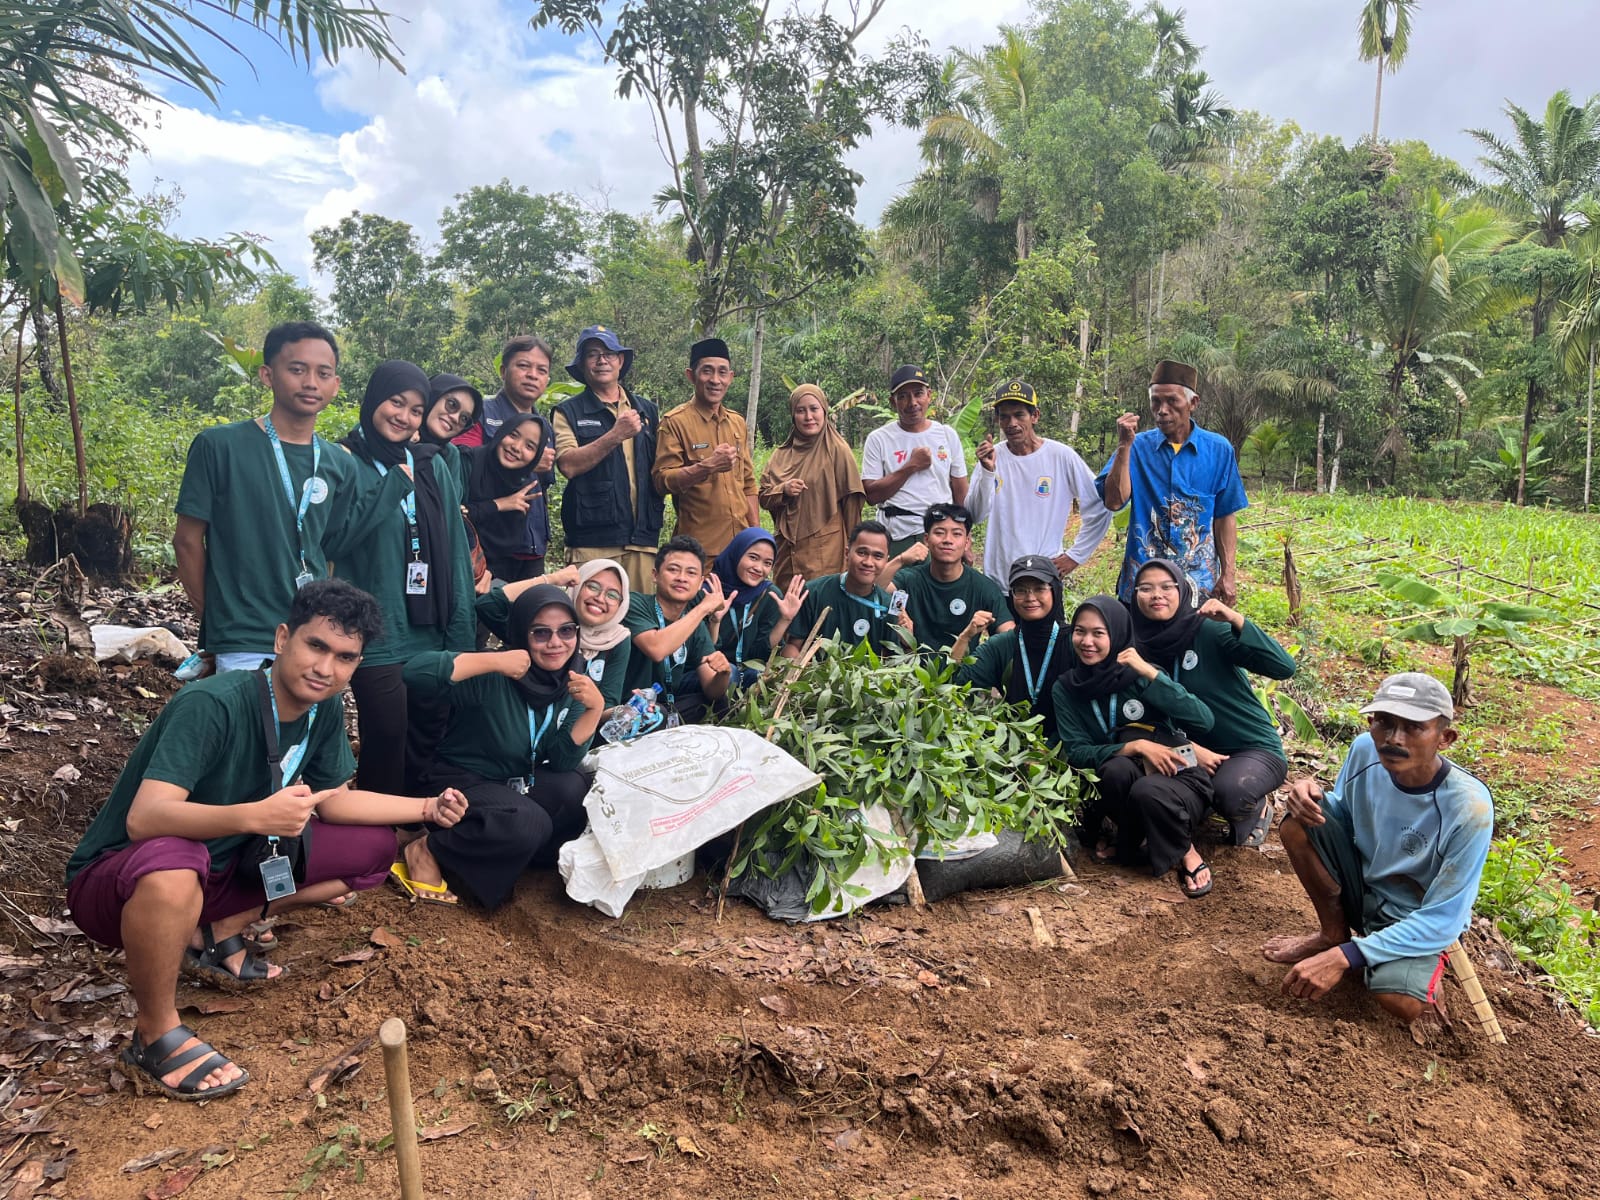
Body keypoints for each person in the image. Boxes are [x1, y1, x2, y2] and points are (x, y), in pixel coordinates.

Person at [64, 581, 469, 1100]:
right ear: (282, 639)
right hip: (121, 880)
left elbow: (335, 800)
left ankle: (217, 928)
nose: (326, 667)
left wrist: (426, 809)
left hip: (223, 867)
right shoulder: (212, 703)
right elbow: (146, 820)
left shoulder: (323, 711)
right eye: (316, 646)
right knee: (177, 861)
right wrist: (254, 816)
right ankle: (155, 1033)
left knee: (371, 851)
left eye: (345, 657)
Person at [174, 322, 409, 672]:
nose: (311, 382)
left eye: (323, 373)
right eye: (297, 369)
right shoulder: (219, 446)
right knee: (252, 724)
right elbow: (187, 542)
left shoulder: (337, 462)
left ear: (335, 384)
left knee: (303, 727)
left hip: (312, 634)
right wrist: (213, 619)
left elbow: (328, 546)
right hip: (245, 636)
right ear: (267, 375)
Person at [1263, 673, 1494, 1025]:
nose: (1393, 739)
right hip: (1364, 889)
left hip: (1411, 917)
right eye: (1384, 722)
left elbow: (1443, 918)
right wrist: (1310, 794)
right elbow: (1345, 815)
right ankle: (1331, 934)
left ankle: (1420, 971)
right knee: (1299, 824)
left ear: (1445, 738)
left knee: (1400, 1001)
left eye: (1414, 727)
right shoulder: (1364, 750)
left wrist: (1346, 958)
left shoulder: (1469, 808)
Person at [402, 586, 605, 910]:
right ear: (521, 634)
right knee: (529, 822)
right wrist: (493, 661)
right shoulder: (496, 674)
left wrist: (595, 710)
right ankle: (429, 848)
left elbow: (564, 759)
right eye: (541, 633)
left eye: (566, 630)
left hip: (514, 782)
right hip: (458, 781)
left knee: (574, 791)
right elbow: (414, 673)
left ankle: (507, 860)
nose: (556, 642)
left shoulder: (570, 682)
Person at [333, 362, 477, 796]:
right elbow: (337, 541)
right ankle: (374, 840)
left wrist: (460, 631)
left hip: (430, 626)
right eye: (397, 402)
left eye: (415, 409)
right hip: (376, 629)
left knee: (426, 732)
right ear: (374, 399)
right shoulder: (346, 460)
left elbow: (454, 549)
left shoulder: (432, 463)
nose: (404, 415)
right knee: (387, 734)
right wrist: (394, 484)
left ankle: (414, 829)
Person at [1051, 596, 1218, 897]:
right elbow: (1077, 752)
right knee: (1114, 770)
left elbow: (1203, 720)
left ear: (1116, 634)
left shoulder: (1140, 675)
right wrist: (1137, 746)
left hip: (1176, 771)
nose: (1087, 641)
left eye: (1099, 633)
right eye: (1080, 631)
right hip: (1124, 775)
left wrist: (1151, 673)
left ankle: (1186, 851)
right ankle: (1134, 838)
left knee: (1147, 790)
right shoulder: (1066, 687)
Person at [1128, 558, 1297, 856]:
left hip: (1249, 748)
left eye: (1167, 587)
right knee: (1138, 777)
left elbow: (1283, 667)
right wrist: (1191, 749)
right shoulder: (1135, 649)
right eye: (1146, 588)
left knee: (1231, 792)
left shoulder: (1208, 631)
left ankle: (1255, 807)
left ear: (1182, 591)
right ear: (1133, 595)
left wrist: (1235, 619)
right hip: (1191, 752)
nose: (1157, 595)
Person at [1096, 360, 1249, 605]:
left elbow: (1224, 515)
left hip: (1197, 586)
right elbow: (1114, 501)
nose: (1162, 409)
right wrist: (1124, 446)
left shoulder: (1219, 451)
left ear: (1193, 403)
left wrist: (1228, 575)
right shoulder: (1136, 448)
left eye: (1172, 401)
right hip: (1142, 586)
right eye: (1156, 401)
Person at [967, 379, 1112, 588]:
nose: (1012, 424)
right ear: (997, 420)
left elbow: (1100, 506)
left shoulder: (1060, 456)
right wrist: (988, 472)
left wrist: (1075, 556)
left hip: (1044, 581)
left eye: (1019, 415)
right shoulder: (991, 457)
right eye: (1005, 417)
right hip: (999, 582)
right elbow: (975, 514)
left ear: (1035, 416)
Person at [551, 325, 663, 595]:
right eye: (592, 354)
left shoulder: (647, 410)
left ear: (620, 361)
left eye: (609, 353)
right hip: (592, 541)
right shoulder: (568, 411)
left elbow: (661, 470)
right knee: (589, 622)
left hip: (642, 541)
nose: (602, 360)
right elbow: (568, 464)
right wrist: (615, 435)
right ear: (582, 364)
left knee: (640, 625)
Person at [452, 336, 558, 575]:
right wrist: (527, 464)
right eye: (523, 366)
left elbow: (543, 486)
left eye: (541, 370)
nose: (532, 375)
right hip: (486, 545)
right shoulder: (479, 414)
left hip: (532, 544)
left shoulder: (545, 428)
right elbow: (462, 468)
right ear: (503, 370)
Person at [652, 337, 758, 561]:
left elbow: (748, 484)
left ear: (731, 377)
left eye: (722, 372)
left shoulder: (737, 423)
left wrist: (756, 538)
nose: (715, 380)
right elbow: (662, 481)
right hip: (699, 552)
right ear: (691, 375)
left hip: (739, 548)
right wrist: (707, 466)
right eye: (707, 371)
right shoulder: (675, 422)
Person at [955, 556, 1073, 742]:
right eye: (1021, 590)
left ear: (1055, 591)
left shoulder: (1075, 641)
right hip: (1012, 749)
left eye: (1039, 589)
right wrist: (965, 638)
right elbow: (956, 686)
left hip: (1070, 749)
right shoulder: (1001, 645)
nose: (1030, 597)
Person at [758, 383, 865, 584]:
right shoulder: (780, 455)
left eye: (814, 409)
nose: (808, 417)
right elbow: (763, 496)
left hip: (826, 550)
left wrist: (854, 546)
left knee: (822, 603)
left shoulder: (837, 450)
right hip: (787, 552)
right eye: (801, 411)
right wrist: (784, 490)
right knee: (787, 608)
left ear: (823, 411)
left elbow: (852, 504)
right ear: (793, 415)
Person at [621, 536, 735, 724]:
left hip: (666, 706)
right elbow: (656, 648)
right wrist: (703, 608)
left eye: (691, 573)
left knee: (720, 702)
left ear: (700, 583)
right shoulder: (635, 603)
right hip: (627, 709)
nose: (681, 578)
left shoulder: (693, 623)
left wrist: (723, 674)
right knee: (657, 713)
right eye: (673, 569)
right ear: (655, 575)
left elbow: (712, 691)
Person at [861, 365, 969, 556]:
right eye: (903, 396)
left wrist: (965, 536)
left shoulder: (946, 434)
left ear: (929, 395)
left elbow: (960, 492)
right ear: (892, 402)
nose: (912, 402)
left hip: (940, 534)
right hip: (896, 535)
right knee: (895, 586)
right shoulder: (879, 439)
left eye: (918, 393)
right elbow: (872, 495)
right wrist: (911, 466)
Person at [884, 504, 1012, 659]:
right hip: (911, 674)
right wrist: (900, 559)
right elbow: (872, 590)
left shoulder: (984, 587)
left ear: (967, 542)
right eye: (939, 533)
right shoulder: (909, 579)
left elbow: (1009, 635)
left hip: (964, 678)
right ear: (926, 539)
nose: (947, 540)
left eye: (957, 534)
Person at [782, 520, 914, 658]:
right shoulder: (814, 592)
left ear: (886, 560)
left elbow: (892, 662)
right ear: (847, 553)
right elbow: (792, 646)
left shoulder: (888, 607)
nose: (868, 562)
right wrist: (800, 671)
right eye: (862, 553)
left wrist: (907, 643)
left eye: (877, 556)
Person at [707, 528, 805, 688]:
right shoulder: (710, 590)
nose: (759, 568)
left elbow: (761, 656)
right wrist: (715, 621)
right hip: (710, 672)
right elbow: (702, 653)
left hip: (748, 673)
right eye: (753, 558)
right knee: (729, 674)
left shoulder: (769, 595)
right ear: (736, 553)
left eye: (767, 563)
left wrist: (785, 620)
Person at [460, 413, 551, 584]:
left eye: (530, 446)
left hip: (496, 577)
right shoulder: (468, 462)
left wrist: (488, 574)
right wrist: (498, 504)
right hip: (453, 567)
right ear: (501, 432)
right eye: (513, 435)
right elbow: (450, 514)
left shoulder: (521, 486)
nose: (516, 447)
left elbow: (504, 551)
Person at [420, 373, 482, 449]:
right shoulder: (402, 437)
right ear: (432, 396)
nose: (455, 418)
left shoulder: (452, 457)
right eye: (452, 404)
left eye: (464, 418)